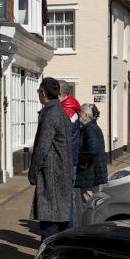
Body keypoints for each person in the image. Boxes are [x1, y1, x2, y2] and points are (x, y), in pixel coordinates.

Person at [28, 77, 73, 241]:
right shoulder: (62, 114)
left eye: (39, 92)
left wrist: (32, 173)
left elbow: (42, 148)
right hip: (63, 174)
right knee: (62, 227)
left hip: (52, 177)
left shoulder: (50, 114)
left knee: (49, 229)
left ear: (43, 93)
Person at [59, 80, 81, 227]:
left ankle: (70, 231)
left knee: (68, 199)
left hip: (67, 160)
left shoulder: (67, 112)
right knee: (70, 197)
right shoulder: (71, 108)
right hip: (71, 159)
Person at [74, 104, 108, 200]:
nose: (79, 117)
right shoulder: (93, 128)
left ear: (86, 116)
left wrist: (79, 160)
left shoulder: (90, 129)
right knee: (92, 201)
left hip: (90, 173)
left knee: (89, 203)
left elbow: (92, 150)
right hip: (93, 172)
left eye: (80, 115)